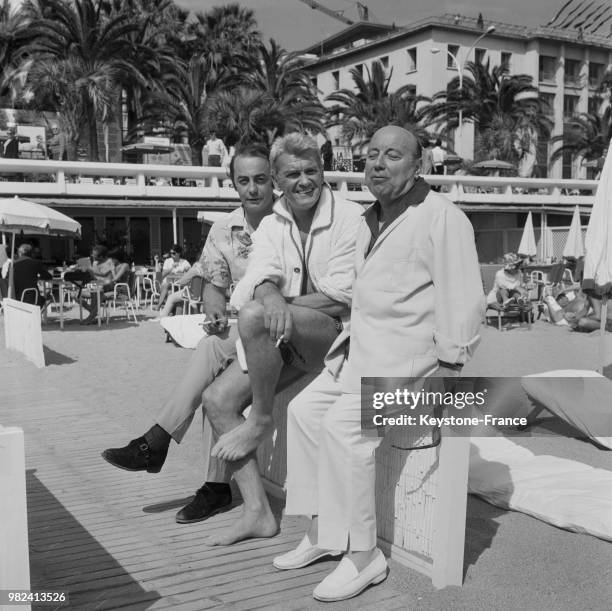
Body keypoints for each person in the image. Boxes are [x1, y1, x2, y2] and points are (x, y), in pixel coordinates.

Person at [273, 126, 484, 602]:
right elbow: (350, 291)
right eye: (371, 155)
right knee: (303, 414)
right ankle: (324, 532)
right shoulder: (368, 219)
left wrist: (452, 375)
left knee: (346, 432)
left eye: (392, 155)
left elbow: (463, 299)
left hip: (409, 364)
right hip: (360, 353)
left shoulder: (442, 218)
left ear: (419, 165)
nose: (378, 164)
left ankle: (365, 555)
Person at [101, 143, 277, 521]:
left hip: (280, 327)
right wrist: (213, 308)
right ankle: (203, 478)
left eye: (260, 179)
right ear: (233, 184)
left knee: (214, 367)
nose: (253, 189)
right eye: (244, 181)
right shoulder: (224, 228)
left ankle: (160, 444)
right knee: (213, 349)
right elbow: (214, 282)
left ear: (272, 180)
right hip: (244, 331)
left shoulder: (290, 222)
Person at [154, 245, 191, 311]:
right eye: (170, 253)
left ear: (179, 253)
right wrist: (171, 268)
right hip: (168, 284)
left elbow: (190, 274)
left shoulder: (185, 262)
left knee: (170, 292)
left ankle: (164, 308)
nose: (172, 255)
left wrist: (183, 273)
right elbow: (162, 275)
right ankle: (160, 305)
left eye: (174, 253)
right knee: (167, 286)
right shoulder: (168, 261)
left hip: (180, 285)